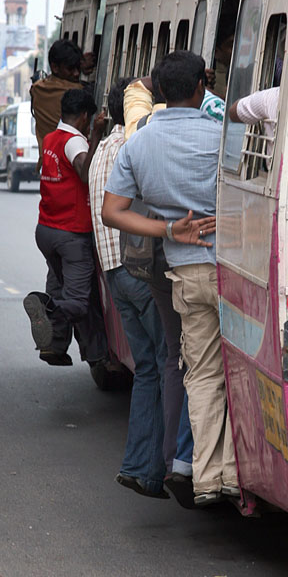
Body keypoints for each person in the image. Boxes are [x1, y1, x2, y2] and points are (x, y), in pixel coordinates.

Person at [102, 50, 237, 507]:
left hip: (185, 273)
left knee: (199, 374)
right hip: (236, 273)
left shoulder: (136, 144)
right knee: (238, 373)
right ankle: (234, 477)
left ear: (157, 92)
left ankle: (204, 478)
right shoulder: (224, 136)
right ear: (203, 85)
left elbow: (112, 212)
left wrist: (167, 228)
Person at [88, 78, 172, 501]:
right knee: (167, 366)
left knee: (148, 371)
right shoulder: (131, 147)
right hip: (137, 273)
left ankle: (140, 466)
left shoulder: (101, 149)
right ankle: (161, 466)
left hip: (113, 275)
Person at [23, 88, 109, 367]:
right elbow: (85, 173)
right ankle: (45, 307)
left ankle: (54, 347)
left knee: (59, 287)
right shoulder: (74, 142)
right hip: (71, 234)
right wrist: (95, 136)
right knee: (78, 301)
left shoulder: (50, 138)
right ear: (85, 117)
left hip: (46, 230)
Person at [29, 39, 86, 150]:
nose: (76, 73)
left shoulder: (37, 89)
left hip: (46, 161)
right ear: (55, 67)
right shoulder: (76, 92)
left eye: (78, 68)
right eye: (70, 68)